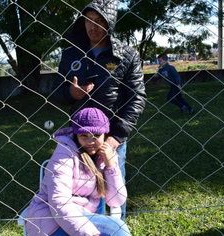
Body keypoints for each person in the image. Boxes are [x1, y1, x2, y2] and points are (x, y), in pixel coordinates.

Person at [51, 0, 146, 220]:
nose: (93, 27)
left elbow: (137, 97)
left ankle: (113, 228)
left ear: (110, 23)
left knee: (113, 190)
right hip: (80, 139)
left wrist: (115, 138)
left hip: (110, 138)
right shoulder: (71, 55)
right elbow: (56, 92)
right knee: (81, 192)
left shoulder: (127, 55)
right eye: (89, 21)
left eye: (100, 21)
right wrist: (70, 94)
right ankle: (88, 230)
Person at [25, 107, 131, 236]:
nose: (90, 142)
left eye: (96, 136)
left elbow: (116, 201)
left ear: (105, 135)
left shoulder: (105, 155)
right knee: (115, 228)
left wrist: (110, 165)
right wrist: (89, 234)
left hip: (84, 216)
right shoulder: (64, 154)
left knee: (115, 227)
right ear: (76, 135)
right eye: (83, 136)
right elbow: (59, 203)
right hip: (50, 220)